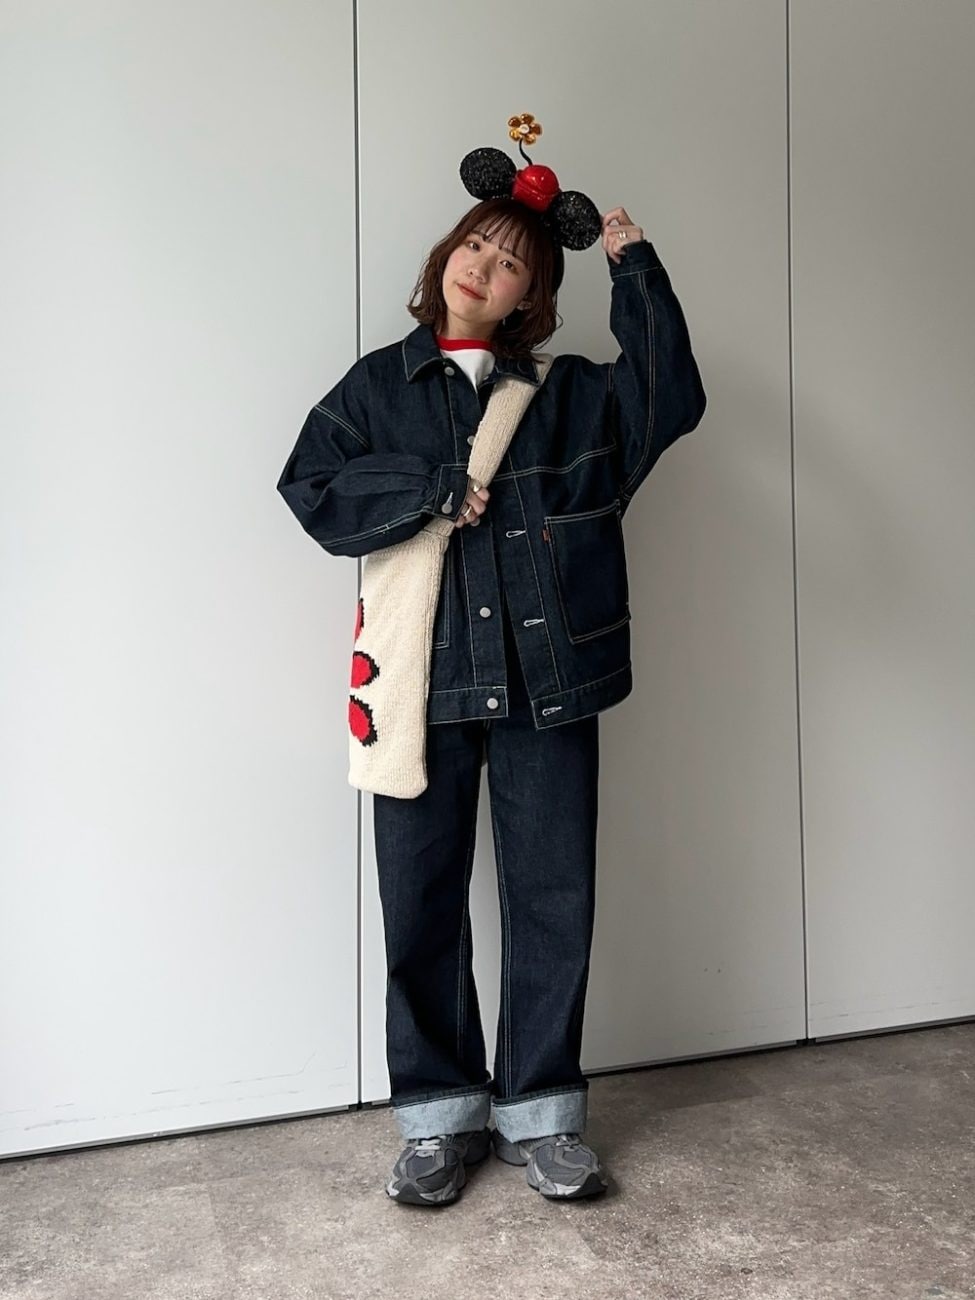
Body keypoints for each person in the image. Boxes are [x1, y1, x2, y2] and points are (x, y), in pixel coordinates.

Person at [277, 114, 707, 1207]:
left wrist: (636, 270)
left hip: (544, 686)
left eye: (511, 262)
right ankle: (436, 1120)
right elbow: (311, 488)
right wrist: (427, 490)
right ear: (445, 258)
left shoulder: (572, 399)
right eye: (475, 245)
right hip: (417, 686)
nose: (484, 267)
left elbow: (671, 398)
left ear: (530, 296)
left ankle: (543, 1113)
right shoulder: (377, 388)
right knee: (419, 900)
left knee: (553, 895)